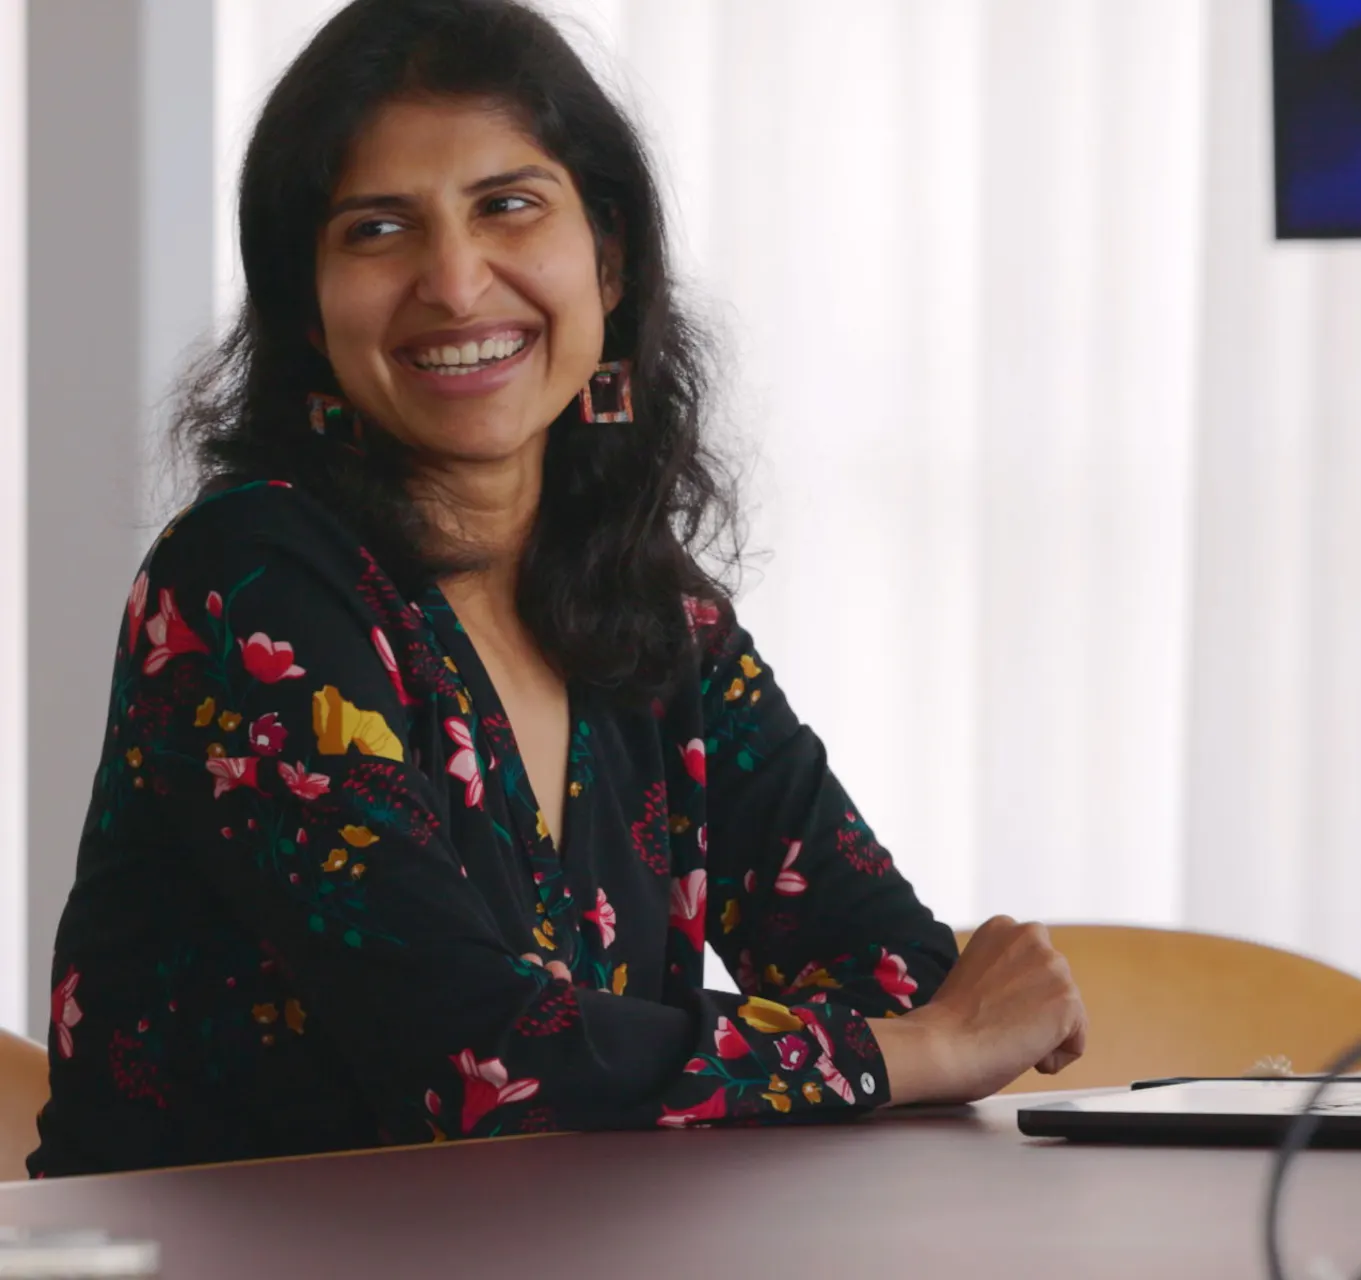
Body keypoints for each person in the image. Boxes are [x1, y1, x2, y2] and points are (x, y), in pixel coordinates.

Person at [29, 0, 1087, 1176]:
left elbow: (886, 965)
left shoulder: (646, 600)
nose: (453, 280)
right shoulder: (245, 586)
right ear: (306, 306)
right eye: (377, 229)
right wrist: (912, 1049)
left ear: (611, 254)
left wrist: (915, 1028)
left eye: (508, 205)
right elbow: (481, 1061)